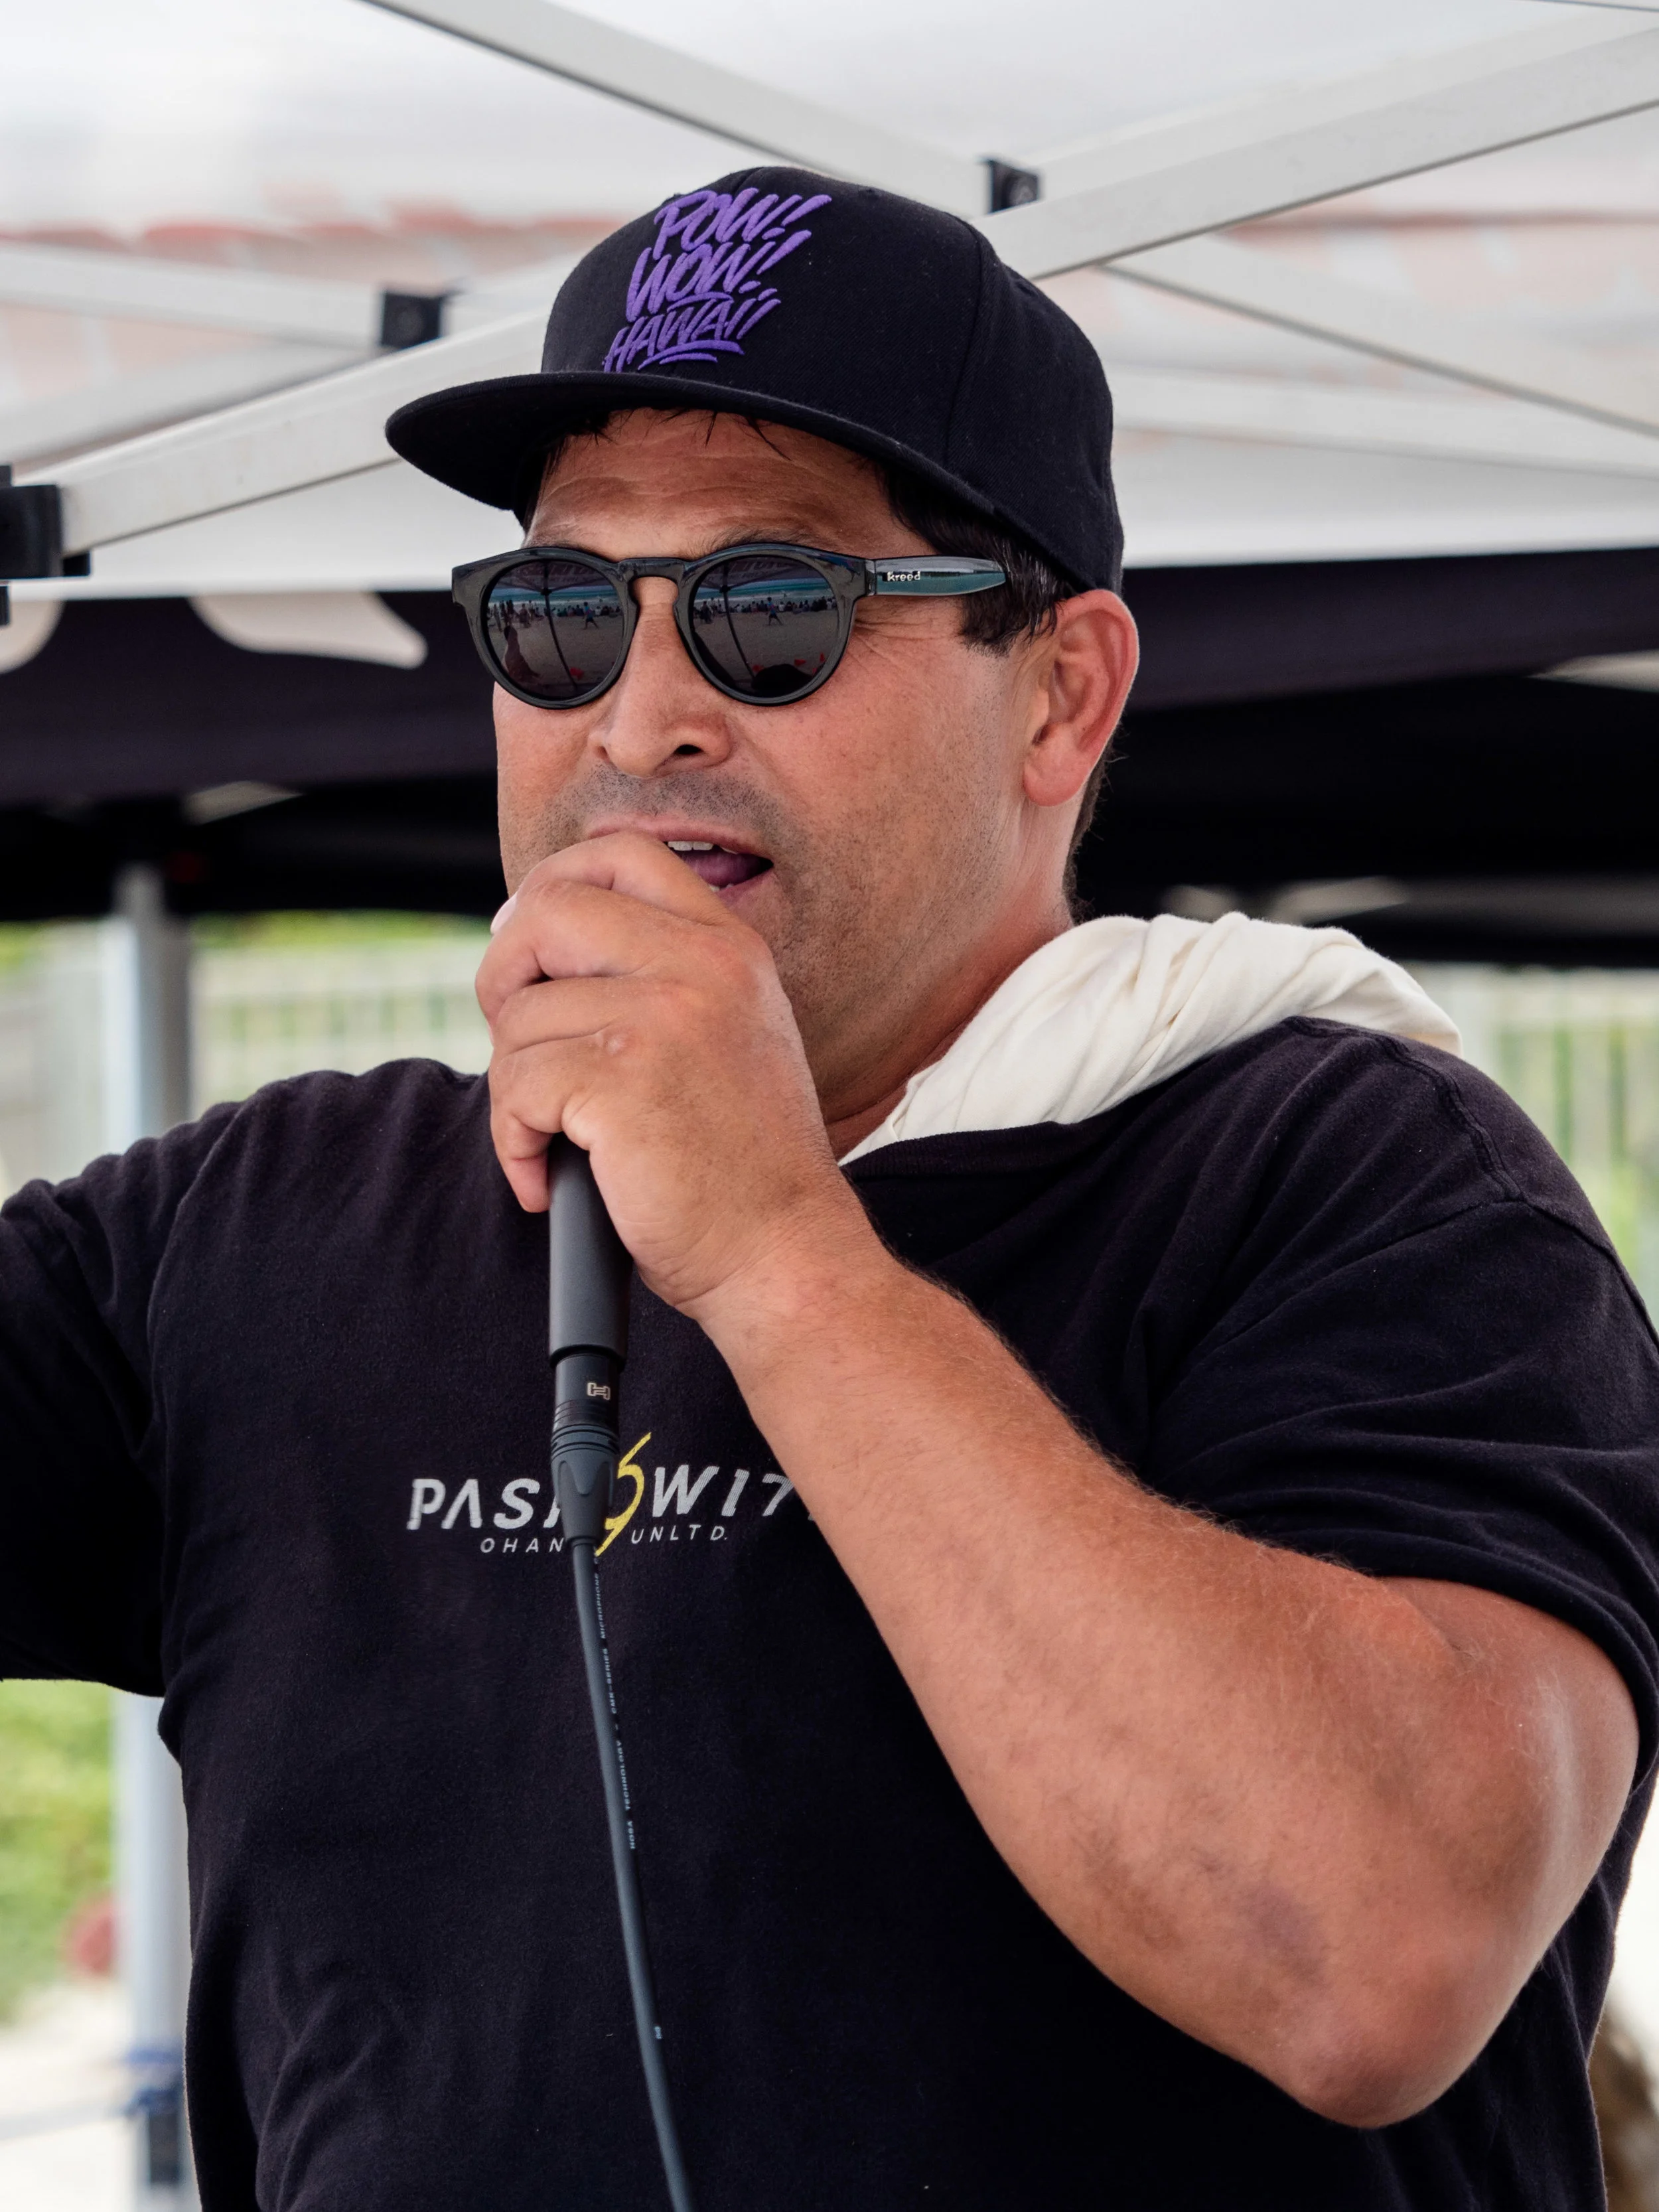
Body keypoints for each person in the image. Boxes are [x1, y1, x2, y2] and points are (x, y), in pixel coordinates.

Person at [3, 166, 1658, 2212]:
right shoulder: (261, 1224)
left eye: (769, 609)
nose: (641, 715)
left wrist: (782, 1249)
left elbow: (1370, 1954)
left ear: (1060, 691)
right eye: (560, 614)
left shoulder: (1357, 1178)